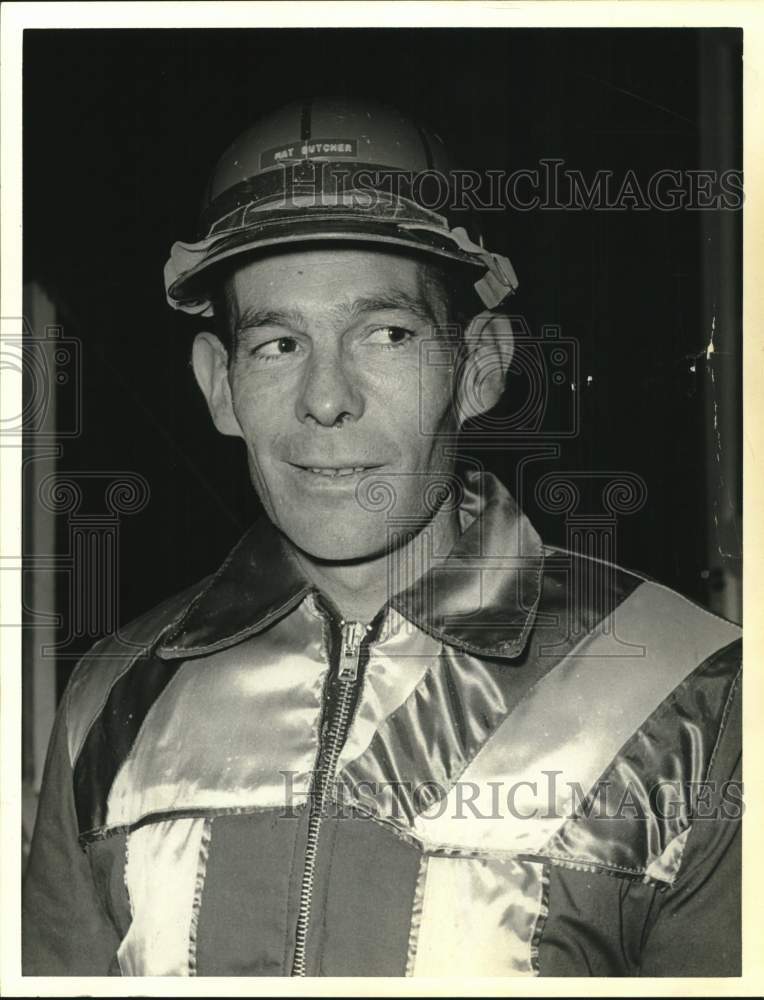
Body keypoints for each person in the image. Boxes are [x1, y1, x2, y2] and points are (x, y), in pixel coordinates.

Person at [22, 98, 742, 978]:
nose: (327, 399)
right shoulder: (111, 699)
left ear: (478, 369)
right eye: (279, 344)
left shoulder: (693, 696)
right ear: (220, 387)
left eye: (387, 335)